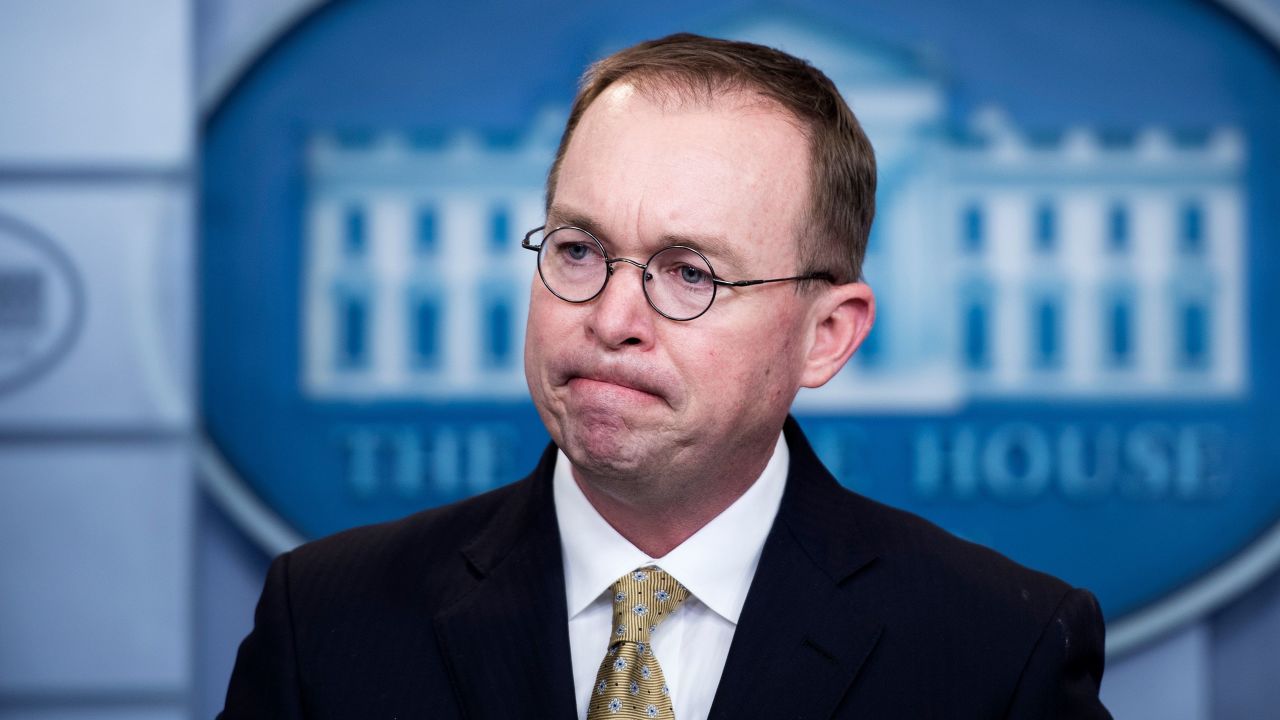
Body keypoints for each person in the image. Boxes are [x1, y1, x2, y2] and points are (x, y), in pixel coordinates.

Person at [220, 33, 1111, 719]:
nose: (610, 319)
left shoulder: (1000, 656)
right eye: (579, 250)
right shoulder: (326, 625)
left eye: (690, 273)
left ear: (826, 336)